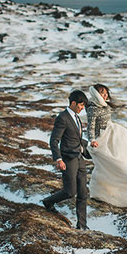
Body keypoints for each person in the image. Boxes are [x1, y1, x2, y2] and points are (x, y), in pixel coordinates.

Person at [42, 90, 91, 230]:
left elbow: (77, 138)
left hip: (80, 158)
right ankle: (48, 201)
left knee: (83, 193)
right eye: (81, 105)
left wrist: (88, 148)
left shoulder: (77, 117)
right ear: (73, 103)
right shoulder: (62, 118)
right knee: (70, 192)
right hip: (68, 158)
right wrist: (58, 159)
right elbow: (54, 140)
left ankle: (82, 225)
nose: (83, 108)